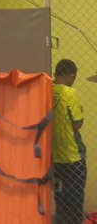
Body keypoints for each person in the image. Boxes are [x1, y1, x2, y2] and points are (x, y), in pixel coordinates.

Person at [52, 58, 86, 224]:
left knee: (60, 195)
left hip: (56, 155)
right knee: (75, 195)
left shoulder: (47, 90)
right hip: (73, 155)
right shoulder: (69, 92)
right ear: (71, 76)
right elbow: (77, 123)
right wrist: (79, 111)